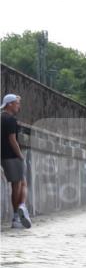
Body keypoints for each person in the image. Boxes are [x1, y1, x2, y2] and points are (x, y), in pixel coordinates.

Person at [1, 94, 30, 228]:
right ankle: (16, 216)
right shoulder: (10, 119)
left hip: (3, 155)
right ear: (10, 104)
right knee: (18, 185)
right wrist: (20, 155)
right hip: (12, 156)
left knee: (21, 182)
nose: (19, 106)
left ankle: (21, 208)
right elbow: (12, 140)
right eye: (17, 103)